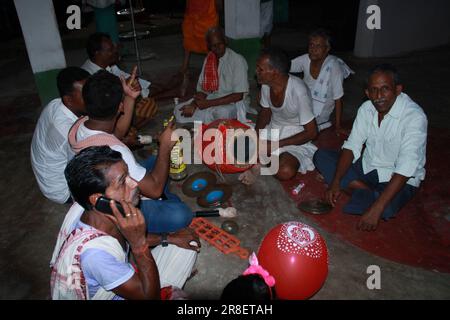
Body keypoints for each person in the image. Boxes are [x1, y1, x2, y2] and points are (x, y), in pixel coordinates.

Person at [50, 146, 200, 300]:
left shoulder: (89, 209)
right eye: (122, 181)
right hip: (135, 294)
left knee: (188, 243)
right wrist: (139, 245)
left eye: (128, 175)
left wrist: (168, 237)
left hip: (117, 275)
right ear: (97, 199)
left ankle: (164, 279)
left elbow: (124, 236)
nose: (134, 184)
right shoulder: (95, 256)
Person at [68, 70, 193, 233]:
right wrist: (165, 146)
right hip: (114, 208)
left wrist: (130, 97)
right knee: (181, 214)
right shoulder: (117, 149)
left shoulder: (81, 124)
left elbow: (117, 133)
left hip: (101, 188)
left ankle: (161, 199)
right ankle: (157, 208)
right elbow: (154, 191)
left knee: (155, 163)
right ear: (120, 107)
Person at [313, 64, 428, 231]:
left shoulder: (414, 117)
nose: (379, 96)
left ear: (398, 90)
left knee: (386, 209)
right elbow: (352, 145)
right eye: (373, 90)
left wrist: (376, 209)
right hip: (367, 167)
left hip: (397, 177)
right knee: (321, 156)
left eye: (385, 89)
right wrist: (336, 182)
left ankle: (363, 191)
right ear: (367, 93)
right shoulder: (366, 109)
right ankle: (364, 190)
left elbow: (406, 167)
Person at [239, 47, 318, 185]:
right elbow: (265, 113)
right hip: (273, 130)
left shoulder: (299, 91)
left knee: (285, 171)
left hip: (295, 137)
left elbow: (312, 132)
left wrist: (274, 145)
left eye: (260, 69)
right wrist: (256, 137)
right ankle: (263, 160)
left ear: (274, 73)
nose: (256, 72)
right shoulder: (266, 85)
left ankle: (260, 165)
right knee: (237, 148)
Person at [30, 67, 90, 204]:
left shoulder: (55, 103)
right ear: (69, 100)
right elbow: (87, 163)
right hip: (61, 190)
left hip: (47, 175)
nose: (92, 97)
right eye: (85, 95)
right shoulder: (69, 131)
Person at [174, 27, 250, 124]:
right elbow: (203, 90)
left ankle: (207, 119)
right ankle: (209, 120)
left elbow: (238, 96)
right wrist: (194, 104)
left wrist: (207, 104)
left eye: (220, 44)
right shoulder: (209, 59)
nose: (217, 48)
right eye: (214, 46)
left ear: (225, 41)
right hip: (211, 100)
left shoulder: (237, 60)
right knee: (178, 109)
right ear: (209, 46)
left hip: (232, 104)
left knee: (222, 113)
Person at [290, 29, 354, 134]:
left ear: (327, 49)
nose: (313, 49)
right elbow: (283, 66)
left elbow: (338, 98)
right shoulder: (306, 59)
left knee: (293, 130)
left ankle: (321, 125)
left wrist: (338, 126)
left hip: (320, 113)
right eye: (311, 45)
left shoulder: (333, 66)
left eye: (318, 46)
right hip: (303, 103)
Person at [81, 32, 151, 98]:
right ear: (97, 53)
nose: (115, 51)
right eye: (110, 50)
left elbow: (134, 81)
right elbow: (104, 102)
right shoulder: (88, 76)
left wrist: (134, 84)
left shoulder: (109, 67)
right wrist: (123, 88)